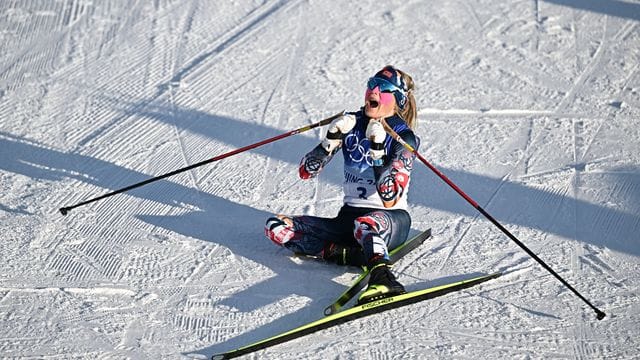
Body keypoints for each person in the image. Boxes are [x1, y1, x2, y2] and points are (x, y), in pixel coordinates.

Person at [265, 65, 420, 304]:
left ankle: (384, 278)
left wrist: (378, 150)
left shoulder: (403, 136)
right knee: (276, 226)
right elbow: (306, 172)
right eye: (371, 84)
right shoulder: (352, 124)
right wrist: (330, 140)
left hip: (391, 219)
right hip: (348, 220)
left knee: (365, 223)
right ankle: (349, 254)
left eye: (384, 89)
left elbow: (390, 196)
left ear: (397, 100)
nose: (374, 92)